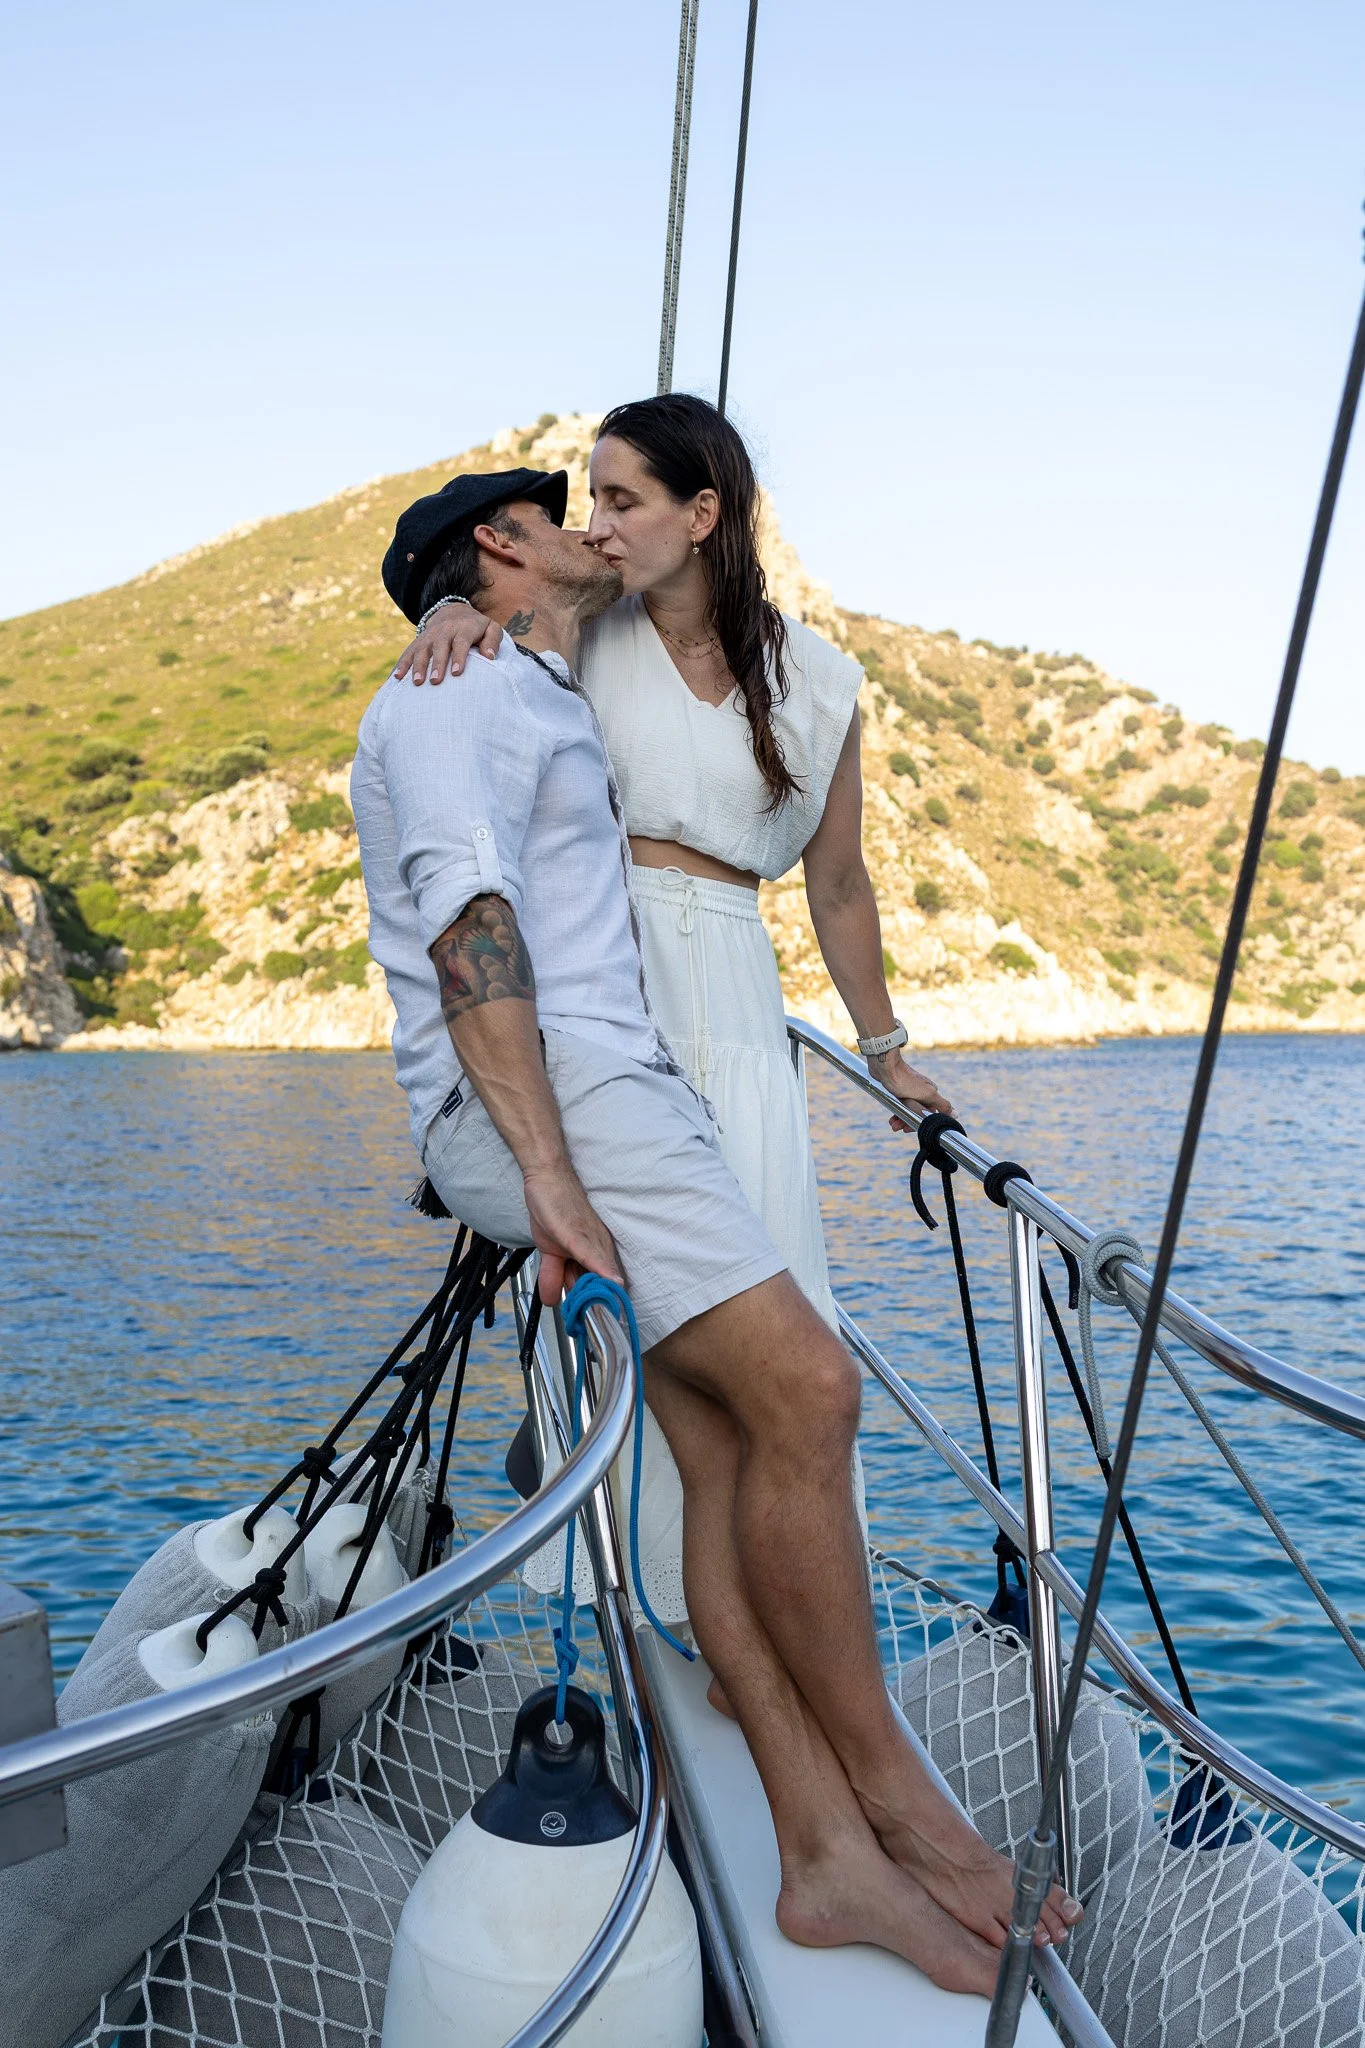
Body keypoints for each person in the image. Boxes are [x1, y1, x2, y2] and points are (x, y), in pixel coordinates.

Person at [353, 466, 1080, 1994]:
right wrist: (547, 1170)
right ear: (503, 546)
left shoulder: (529, 679)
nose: (588, 531)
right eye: (566, 513)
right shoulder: (465, 689)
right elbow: (465, 920)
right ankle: (900, 1809)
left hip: (613, 1095)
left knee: (720, 1448)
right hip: (583, 1105)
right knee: (811, 1394)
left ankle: (817, 1855)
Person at [395, 393, 950, 1623]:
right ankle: (631, 1615)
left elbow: (841, 882)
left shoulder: (821, 681)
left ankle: (777, 1615)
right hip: (602, 983)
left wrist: (887, 1049)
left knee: (762, 1336)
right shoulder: (593, 622)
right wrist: (441, 606)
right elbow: (493, 607)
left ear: (704, 515)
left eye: (620, 499)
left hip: (740, 1006)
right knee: (643, 1343)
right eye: (584, 501)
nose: (594, 524)